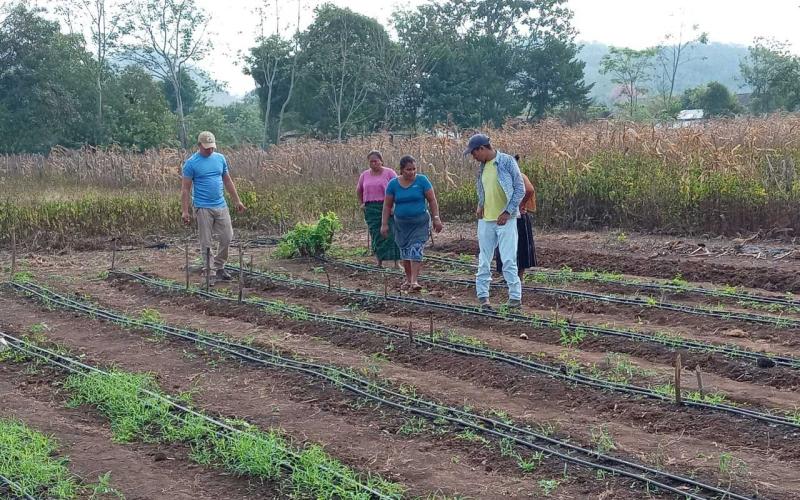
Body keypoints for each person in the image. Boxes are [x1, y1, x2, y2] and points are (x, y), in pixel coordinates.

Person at [465, 133, 524, 310]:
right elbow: (483, 188)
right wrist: (480, 204)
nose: (473, 157)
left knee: (508, 259)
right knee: (484, 259)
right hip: (486, 220)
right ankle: (483, 297)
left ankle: (515, 297)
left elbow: (519, 189)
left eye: (474, 153)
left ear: (482, 148)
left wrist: (507, 212)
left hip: (506, 219)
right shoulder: (483, 167)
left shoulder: (506, 161)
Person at [181, 131, 246, 281]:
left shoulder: (220, 159)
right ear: (199, 146)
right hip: (202, 206)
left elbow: (228, 181)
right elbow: (185, 189)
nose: (210, 150)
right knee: (206, 241)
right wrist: (185, 211)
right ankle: (209, 271)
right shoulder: (191, 163)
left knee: (227, 236)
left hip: (220, 204)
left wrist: (237, 200)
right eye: (206, 148)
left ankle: (219, 266)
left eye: (212, 147)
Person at [381, 155, 443, 291]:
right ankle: (408, 279)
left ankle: (415, 281)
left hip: (419, 223)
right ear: (402, 170)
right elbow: (387, 205)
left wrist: (436, 217)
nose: (412, 172)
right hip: (401, 225)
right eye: (408, 169)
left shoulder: (422, 181)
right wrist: (384, 224)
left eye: (414, 169)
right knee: (405, 252)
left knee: (416, 249)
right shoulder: (393, 184)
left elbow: (432, 200)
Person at [495, 154, 537, 280]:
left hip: (518, 217)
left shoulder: (519, 176)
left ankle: (518, 277)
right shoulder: (503, 177)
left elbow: (529, 190)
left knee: (520, 247)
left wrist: (521, 204)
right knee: (506, 246)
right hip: (504, 216)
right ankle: (509, 276)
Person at [357, 150, 400, 267]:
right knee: (376, 234)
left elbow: (398, 188)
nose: (373, 164)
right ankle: (379, 261)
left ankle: (396, 262)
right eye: (371, 162)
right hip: (371, 208)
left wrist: (394, 205)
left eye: (376, 161)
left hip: (387, 206)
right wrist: (362, 203)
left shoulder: (389, 173)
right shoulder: (364, 175)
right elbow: (359, 190)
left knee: (391, 233)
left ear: (381, 161)